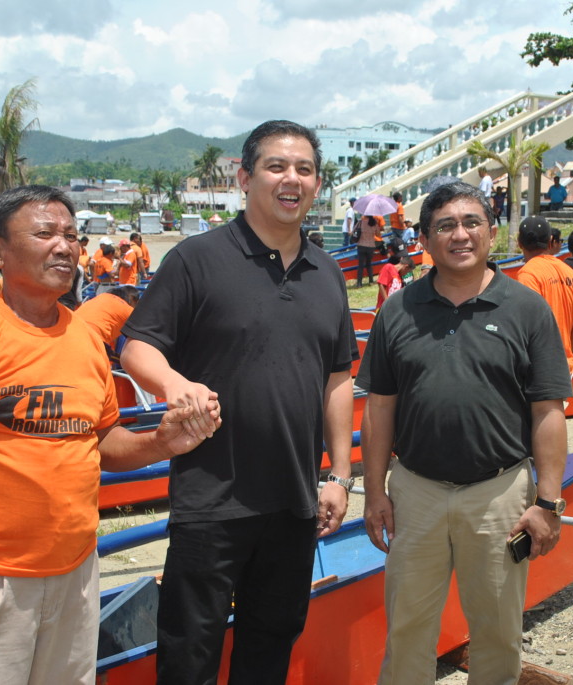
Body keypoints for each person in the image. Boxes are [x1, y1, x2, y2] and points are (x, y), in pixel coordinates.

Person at [0, 185, 212, 685]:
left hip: (75, 573)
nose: (65, 246)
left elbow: (100, 440)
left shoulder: (85, 339)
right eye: (44, 233)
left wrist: (161, 442)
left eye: (72, 235)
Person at [118, 120, 358, 684]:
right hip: (212, 499)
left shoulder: (327, 272)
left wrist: (340, 476)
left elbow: (338, 379)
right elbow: (138, 347)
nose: (291, 179)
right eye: (276, 166)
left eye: (304, 169)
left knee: (270, 646)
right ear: (246, 177)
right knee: (188, 650)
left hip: (294, 500)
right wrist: (175, 386)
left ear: (318, 184)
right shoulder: (197, 259)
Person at [358, 181, 571, 684]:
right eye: (445, 226)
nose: (460, 235)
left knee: (498, 631)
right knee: (408, 628)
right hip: (416, 490)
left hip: (499, 494)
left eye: (471, 222)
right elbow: (379, 408)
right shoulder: (398, 310)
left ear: (492, 232)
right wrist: (372, 492)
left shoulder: (526, 309)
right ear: (425, 241)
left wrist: (549, 502)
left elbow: (548, 411)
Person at [516, 216, 573, 374]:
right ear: (550, 241)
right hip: (564, 365)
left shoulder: (528, 274)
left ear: (519, 243)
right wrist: (565, 352)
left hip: (540, 367)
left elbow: (526, 324)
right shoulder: (569, 272)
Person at [74, 284, 140, 350]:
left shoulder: (102, 296)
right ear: (133, 299)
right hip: (90, 340)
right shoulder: (127, 310)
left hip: (70, 331)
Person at [355, 214, 381, 287]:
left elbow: (353, 231)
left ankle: (359, 283)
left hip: (361, 245)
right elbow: (378, 234)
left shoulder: (361, 222)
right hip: (371, 246)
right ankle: (371, 281)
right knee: (369, 264)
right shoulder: (374, 223)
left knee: (360, 265)